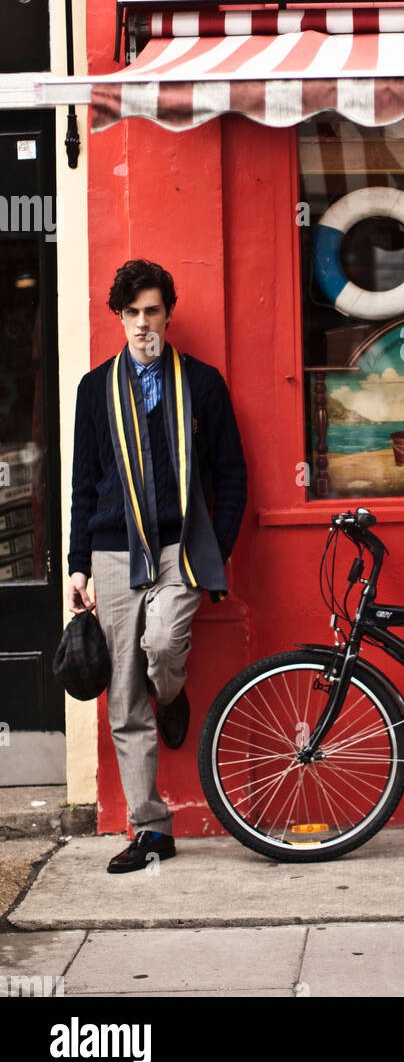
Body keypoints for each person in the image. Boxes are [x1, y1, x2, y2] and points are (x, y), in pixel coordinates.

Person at [66, 260, 247, 873]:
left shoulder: (202, 384)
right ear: (119, 318)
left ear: (169, 313)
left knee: (164, 644)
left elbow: (231, 474)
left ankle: (169, 692)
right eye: (132, 313)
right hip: (113, 550)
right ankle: (150, 829)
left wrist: (217, 547)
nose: (143, 323)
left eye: (152, 311)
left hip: (180, 547)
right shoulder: (95, 389)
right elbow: (84, 484)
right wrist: (78, 566)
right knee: (122, 697)